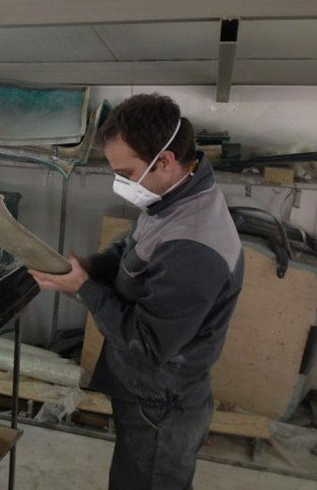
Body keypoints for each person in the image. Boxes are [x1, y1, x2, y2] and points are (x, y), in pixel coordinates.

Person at [29, 93, 244, 490]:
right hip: (147, 390)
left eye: (126, 173)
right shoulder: (174, 197)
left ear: (165, 161)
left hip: (163, 400)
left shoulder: (192, 244)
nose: (122, 184)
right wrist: (90, 267)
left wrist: (85, 288)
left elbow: (148, 343)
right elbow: (131, 251)